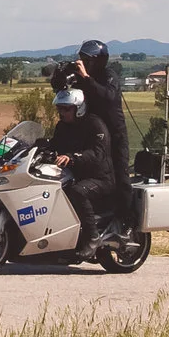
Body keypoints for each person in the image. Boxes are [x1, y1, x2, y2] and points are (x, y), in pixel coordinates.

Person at [50, 37, 131, 229]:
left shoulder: (109, 75)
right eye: (82, 59)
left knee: (120, 177)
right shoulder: (81, 76)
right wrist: (61, 73)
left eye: (87, 59)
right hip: (91, 129)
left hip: (114, 132)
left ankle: (127, 221)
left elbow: (108, 97)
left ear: (98, 60)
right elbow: (60, 89)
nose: (83, 62)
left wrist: (86, 77)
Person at [48, 87, 114, 260]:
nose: (62, 113)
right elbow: (54, 144)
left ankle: (93, 237)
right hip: (76, 175)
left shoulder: (94, 124)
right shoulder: (62, 126)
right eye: (59, 108)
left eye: (66, 109)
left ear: (79, 108)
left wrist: (71, 157)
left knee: (78, 191)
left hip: (100, 178)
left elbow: (97, 153)